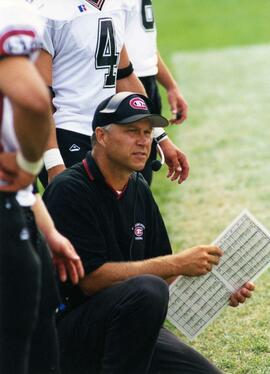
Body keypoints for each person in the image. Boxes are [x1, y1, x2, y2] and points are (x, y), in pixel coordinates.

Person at [44, 92, 254, 374]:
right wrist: (178, 263)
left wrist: (219, 286)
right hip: (67, 335)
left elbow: (163, 273)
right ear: (101, 136)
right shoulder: (69, 189)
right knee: (148, 289)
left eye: (147, 132)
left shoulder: (138, 186)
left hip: (128, 325)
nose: (143, 141)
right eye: (131, 131)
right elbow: (91, 282)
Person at [0, 2, 84, 373]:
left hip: (19, 209)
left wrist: (46, 228)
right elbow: (35, 101)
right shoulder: (12, 12)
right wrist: (30, 164)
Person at [32, 0, 189, 187]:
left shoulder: (116, 5)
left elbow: (124, 76)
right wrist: (53, 163)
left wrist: (160, 137)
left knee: (127, 209)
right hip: (67, 132)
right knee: (84, 213)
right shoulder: (47, 13)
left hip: (108, 133)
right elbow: (39, 99)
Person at [125, 0, 189, 184]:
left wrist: (170, 86)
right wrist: (160, 135)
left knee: (140, 186)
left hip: (146, 84)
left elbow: (143, 44)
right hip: (123, 88)